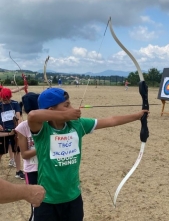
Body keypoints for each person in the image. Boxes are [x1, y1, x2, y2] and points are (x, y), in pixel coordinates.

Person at [27, 87, 149, 221]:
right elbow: (32, 115)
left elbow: (111, 120)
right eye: (67, 105)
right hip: (47, 200)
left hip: (73, 198)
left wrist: (138, 116)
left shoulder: (77, 125)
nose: (72, 108)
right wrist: (65, 115)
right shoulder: (43, 130)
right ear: (50, 111)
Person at [15, 92, 40, 221]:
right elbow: (24, 154)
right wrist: (42, 147)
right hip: (32, 170)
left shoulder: (47, 123)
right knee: (36, 205)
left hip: (47, 168)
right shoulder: (22, 128)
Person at [0, 88, 25, 180]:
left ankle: (19, 171)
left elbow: (18, 116)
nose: (6, 101)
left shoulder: (15, 104)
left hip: (14, 131)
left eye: (7, 99)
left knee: (17, 151)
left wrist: (18, 127)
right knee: (1, 152)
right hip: (3, 132)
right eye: (4, 99)